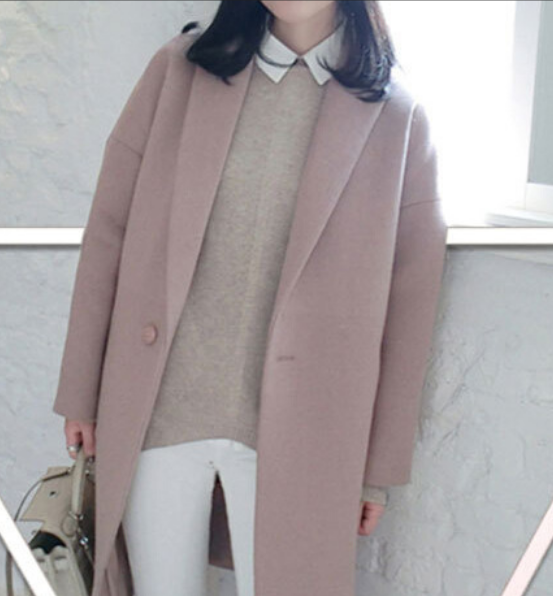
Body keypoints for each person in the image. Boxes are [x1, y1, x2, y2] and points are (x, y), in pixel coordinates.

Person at [56, 2, 445, 595]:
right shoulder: (179, 71)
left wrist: (375, 471)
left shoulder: (395, 115)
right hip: (158, 408)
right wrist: (82, 391)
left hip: (302, 429)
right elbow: (109, 229)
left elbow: (408, 310)